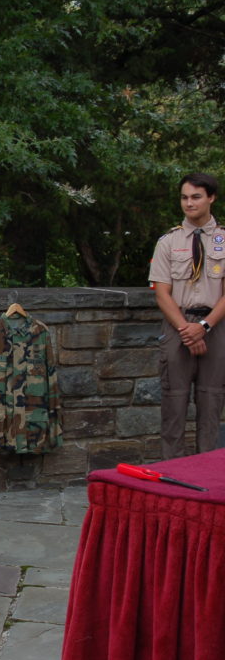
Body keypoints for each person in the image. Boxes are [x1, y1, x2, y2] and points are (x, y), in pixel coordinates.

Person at [149, 172, 225, 458]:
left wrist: (203, 327)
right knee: (174, 402)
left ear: (211, 198)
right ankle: (173, 471)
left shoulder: (223, 240)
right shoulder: (168, 241)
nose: (189, 203)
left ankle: (206, 472)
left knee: (211, 401)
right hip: (177, 324)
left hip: (215, 326)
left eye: (196, 197)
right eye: (184, 197)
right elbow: (161, 294)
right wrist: (187, 330)